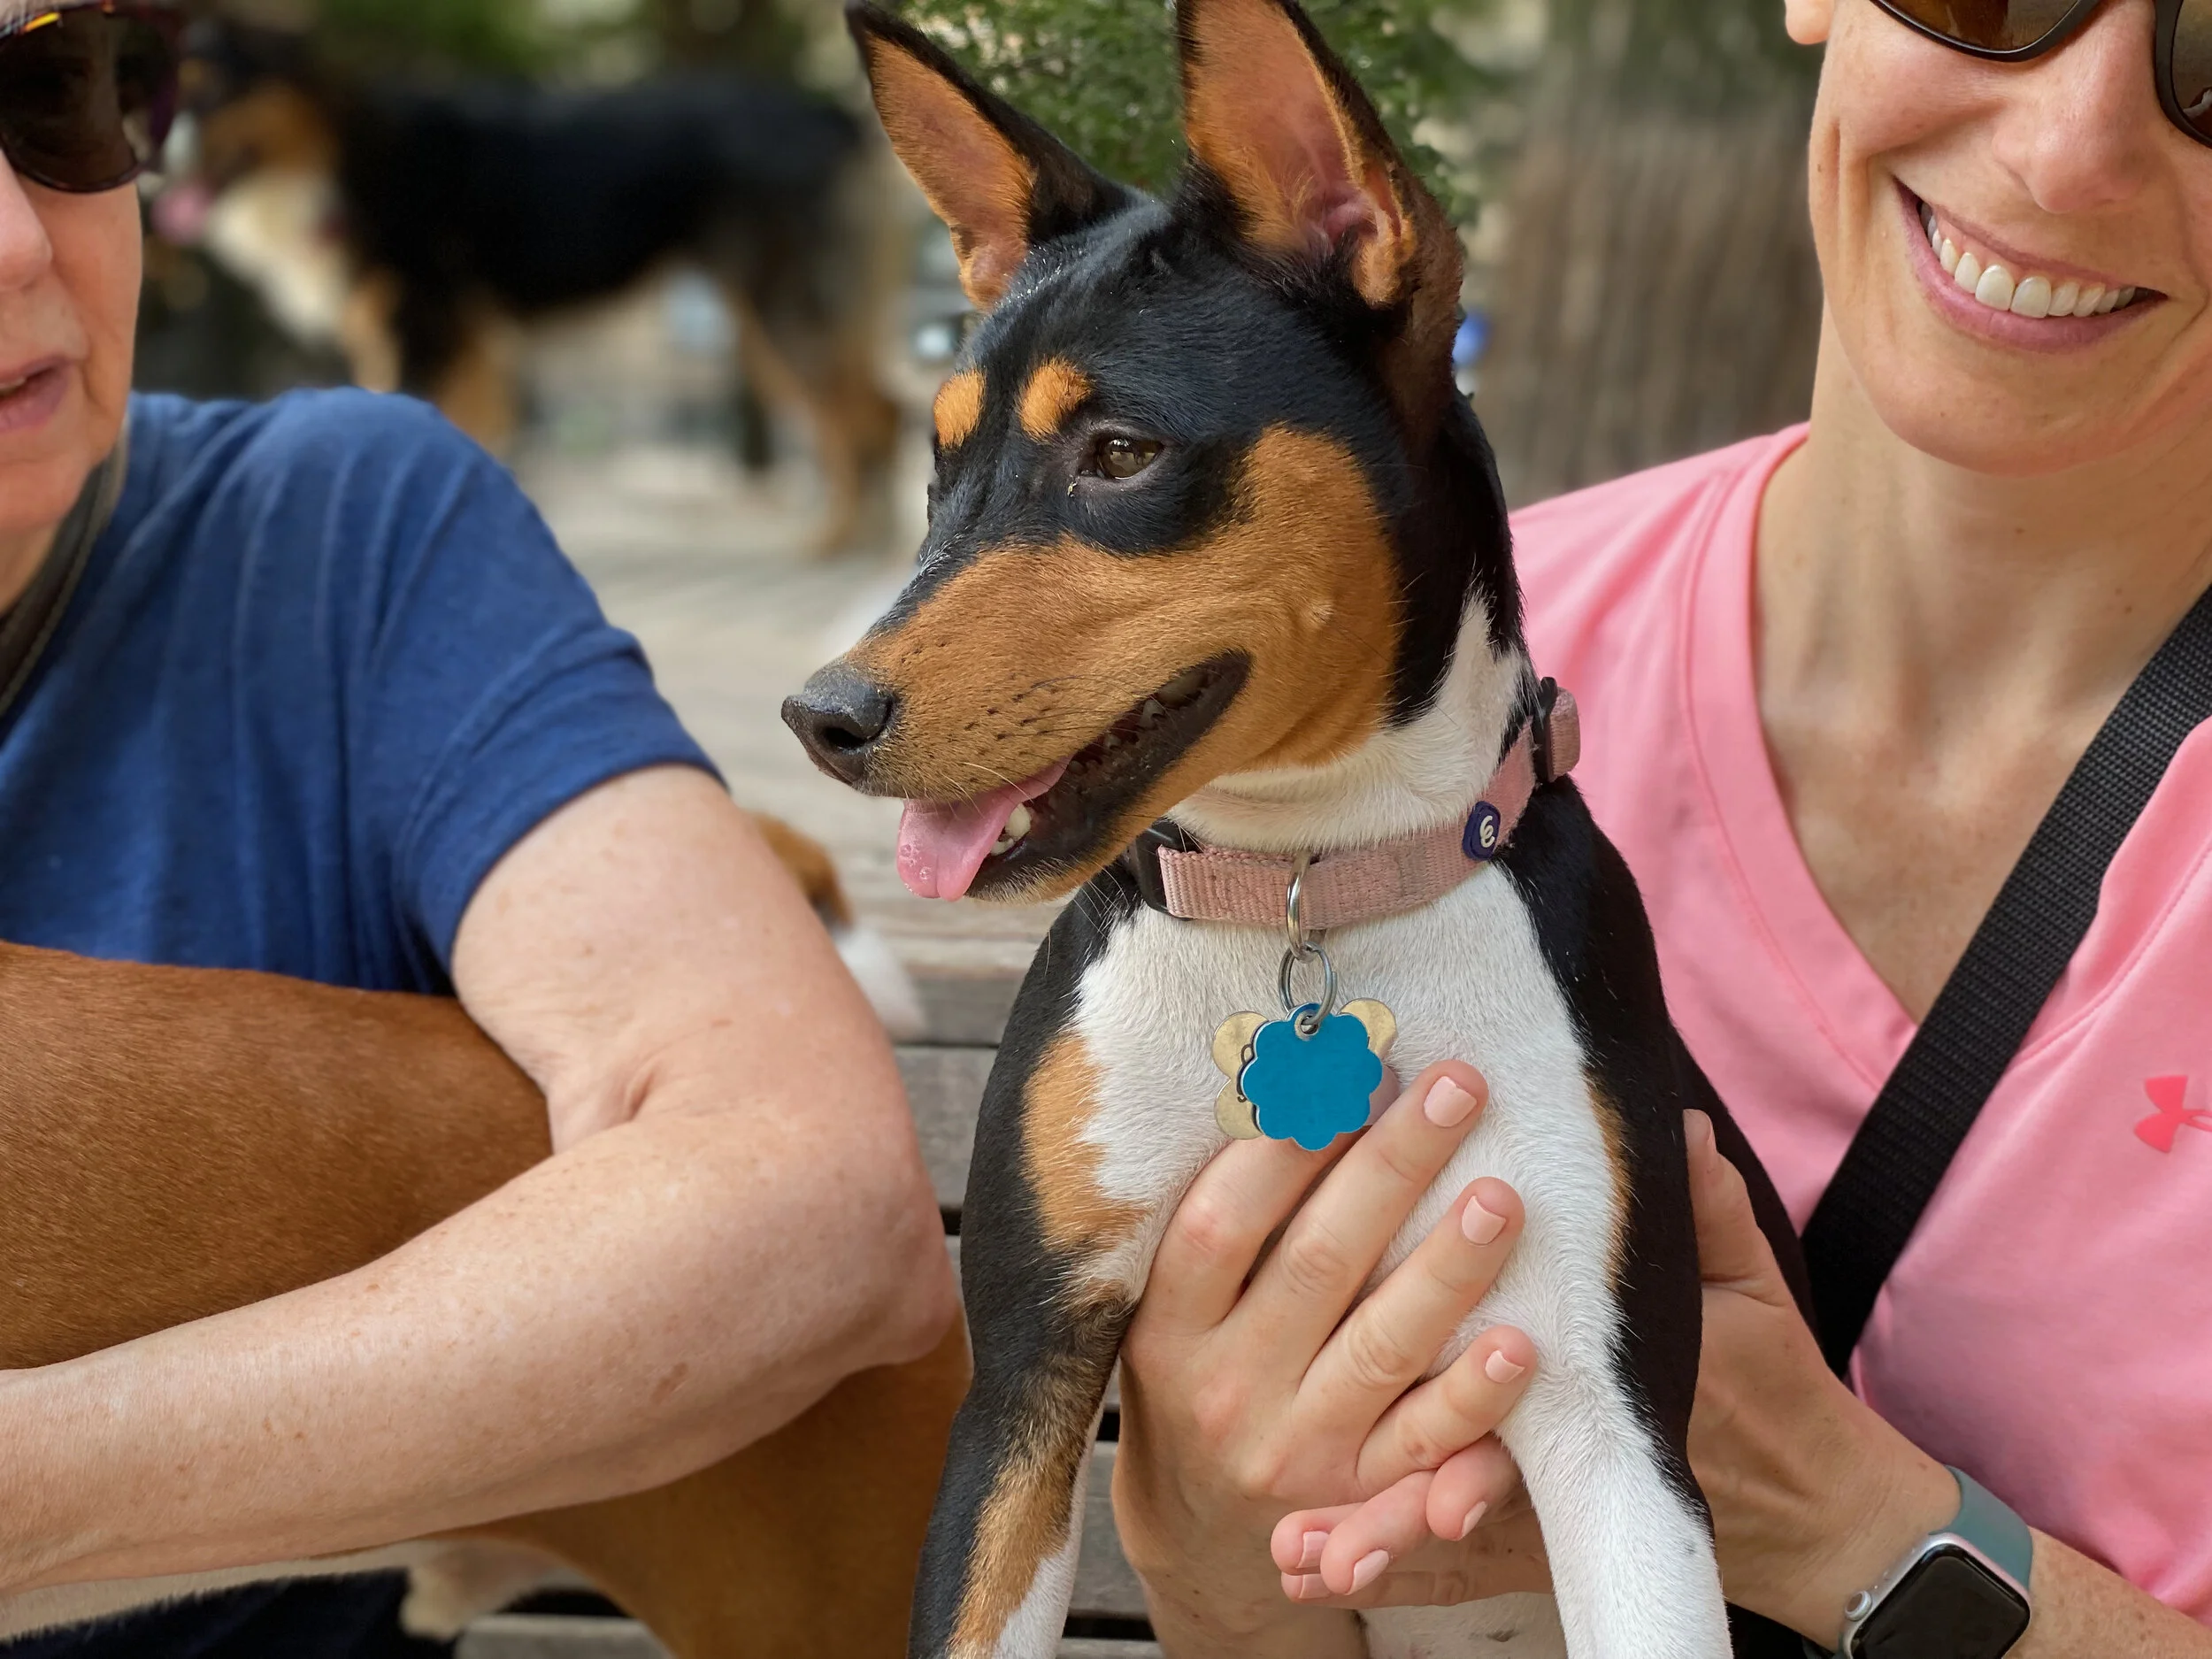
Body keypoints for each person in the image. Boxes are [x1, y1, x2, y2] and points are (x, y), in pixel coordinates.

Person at [1110, 0, 2212, 1654]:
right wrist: (1212, 1523)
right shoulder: (1400, 699)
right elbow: (1246, 1589)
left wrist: (1844, 1525)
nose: (2069, 150)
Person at [0, 4, 956, 1653]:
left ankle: (838, 479)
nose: (18, 242)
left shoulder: (343, 520)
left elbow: (813, 1197)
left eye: (61, 93)